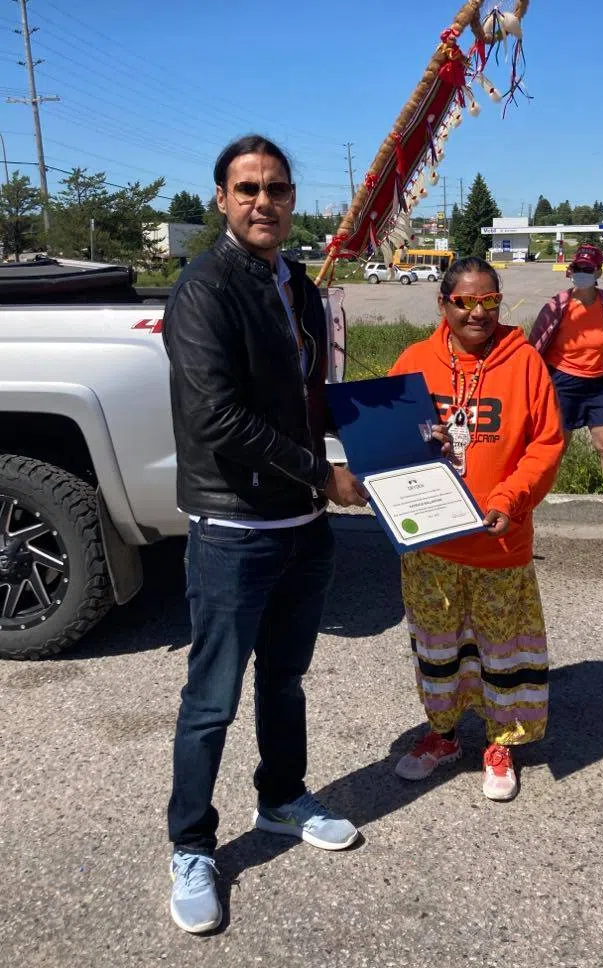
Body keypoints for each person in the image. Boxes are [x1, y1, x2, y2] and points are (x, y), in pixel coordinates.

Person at [163, 134, 369, 934]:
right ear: (221, 199)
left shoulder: (298, 286)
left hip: (302, 528)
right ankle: (190, 845)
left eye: (276, 189)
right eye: (247, 189)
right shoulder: (205, 288)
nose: (263, 202)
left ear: (291, 200)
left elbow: (312, 396)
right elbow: (218, 418)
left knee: (284, 682)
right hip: (234, 526)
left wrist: (399, 440)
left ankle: (282, 798)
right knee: (210, 700)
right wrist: (323, 477)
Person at [388, 257, 564, 801]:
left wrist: (512, 497)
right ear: (443, 304)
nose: (478, 312)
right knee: (437, 647)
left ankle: (501, 742)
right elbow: (387, 441)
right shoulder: (416, 361)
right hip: (432, 547)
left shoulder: (525, 362)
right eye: (464, 301)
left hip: (499, 541)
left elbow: (546, 444)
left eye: (489, 300)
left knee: (500, 648)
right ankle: (442, 735)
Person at [529, 243, 603, 471]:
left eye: (588, 269)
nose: (582, 273)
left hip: (600, 384)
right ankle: (546, 495)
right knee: (556, 446)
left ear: (598, 272)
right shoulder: (556, 306)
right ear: (571, 270)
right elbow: (535, 344)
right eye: (578, 267)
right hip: (563, 382)